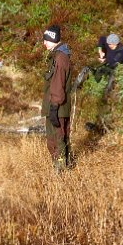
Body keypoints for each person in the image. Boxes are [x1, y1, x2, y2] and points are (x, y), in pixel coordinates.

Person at [40, 25, 73, 171]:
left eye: (46, 40)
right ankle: (65, 166)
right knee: (57, 138)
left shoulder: (60, 58)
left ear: (53, 39)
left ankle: (61, 170)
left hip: (57, 107)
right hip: (56, 105)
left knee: (57, 139)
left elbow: (58, 84)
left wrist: (54, 106)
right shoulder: (57, 56)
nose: (44, 43)